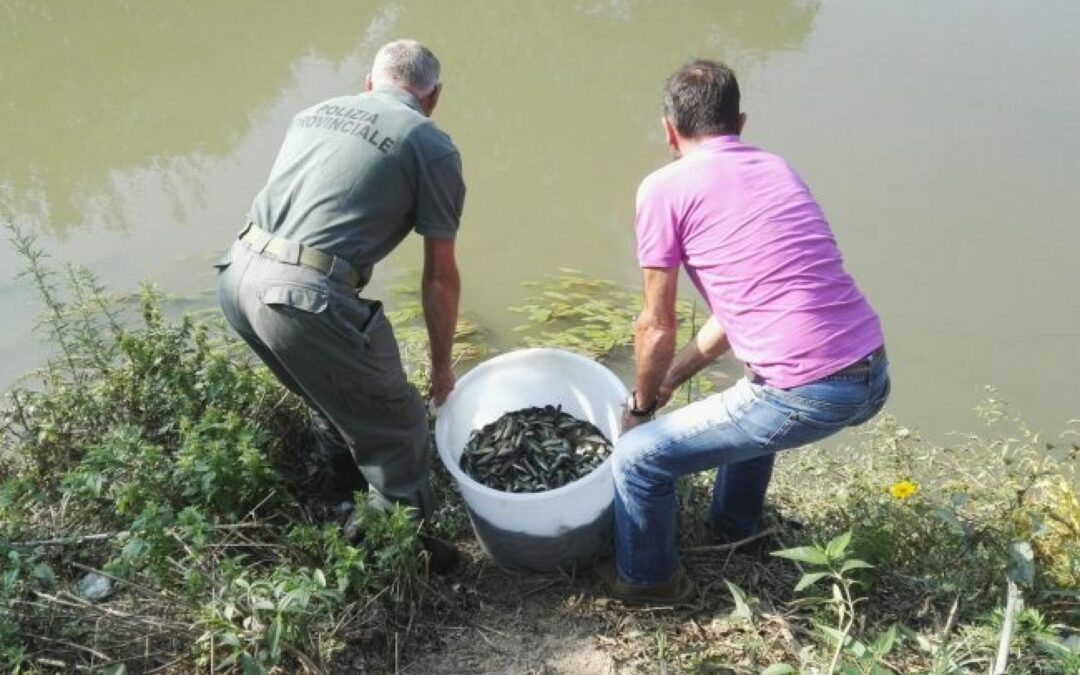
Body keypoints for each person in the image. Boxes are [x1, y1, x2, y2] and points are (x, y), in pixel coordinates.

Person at [600, 60, 889, 603]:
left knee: (637, 460)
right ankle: (736, 528)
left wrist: (640, 407)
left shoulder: (664, 188)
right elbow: (738, 314)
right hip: (871, 371)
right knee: (751, 394)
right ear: (741, 122)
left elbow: (655, 325)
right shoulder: (777, 169)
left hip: (806, 392)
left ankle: (650, 583)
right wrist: (672, 381)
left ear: (668, 130)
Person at [216, 39, 465, 571]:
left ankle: (340, 501)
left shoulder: (313, 112)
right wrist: (442, 368)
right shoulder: (430, 143)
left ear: (368, 81)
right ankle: (402, 559)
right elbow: (440, 278)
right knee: (399, 426)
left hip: (237, 276)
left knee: (330, 397)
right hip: (300, 297)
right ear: (434, 95)